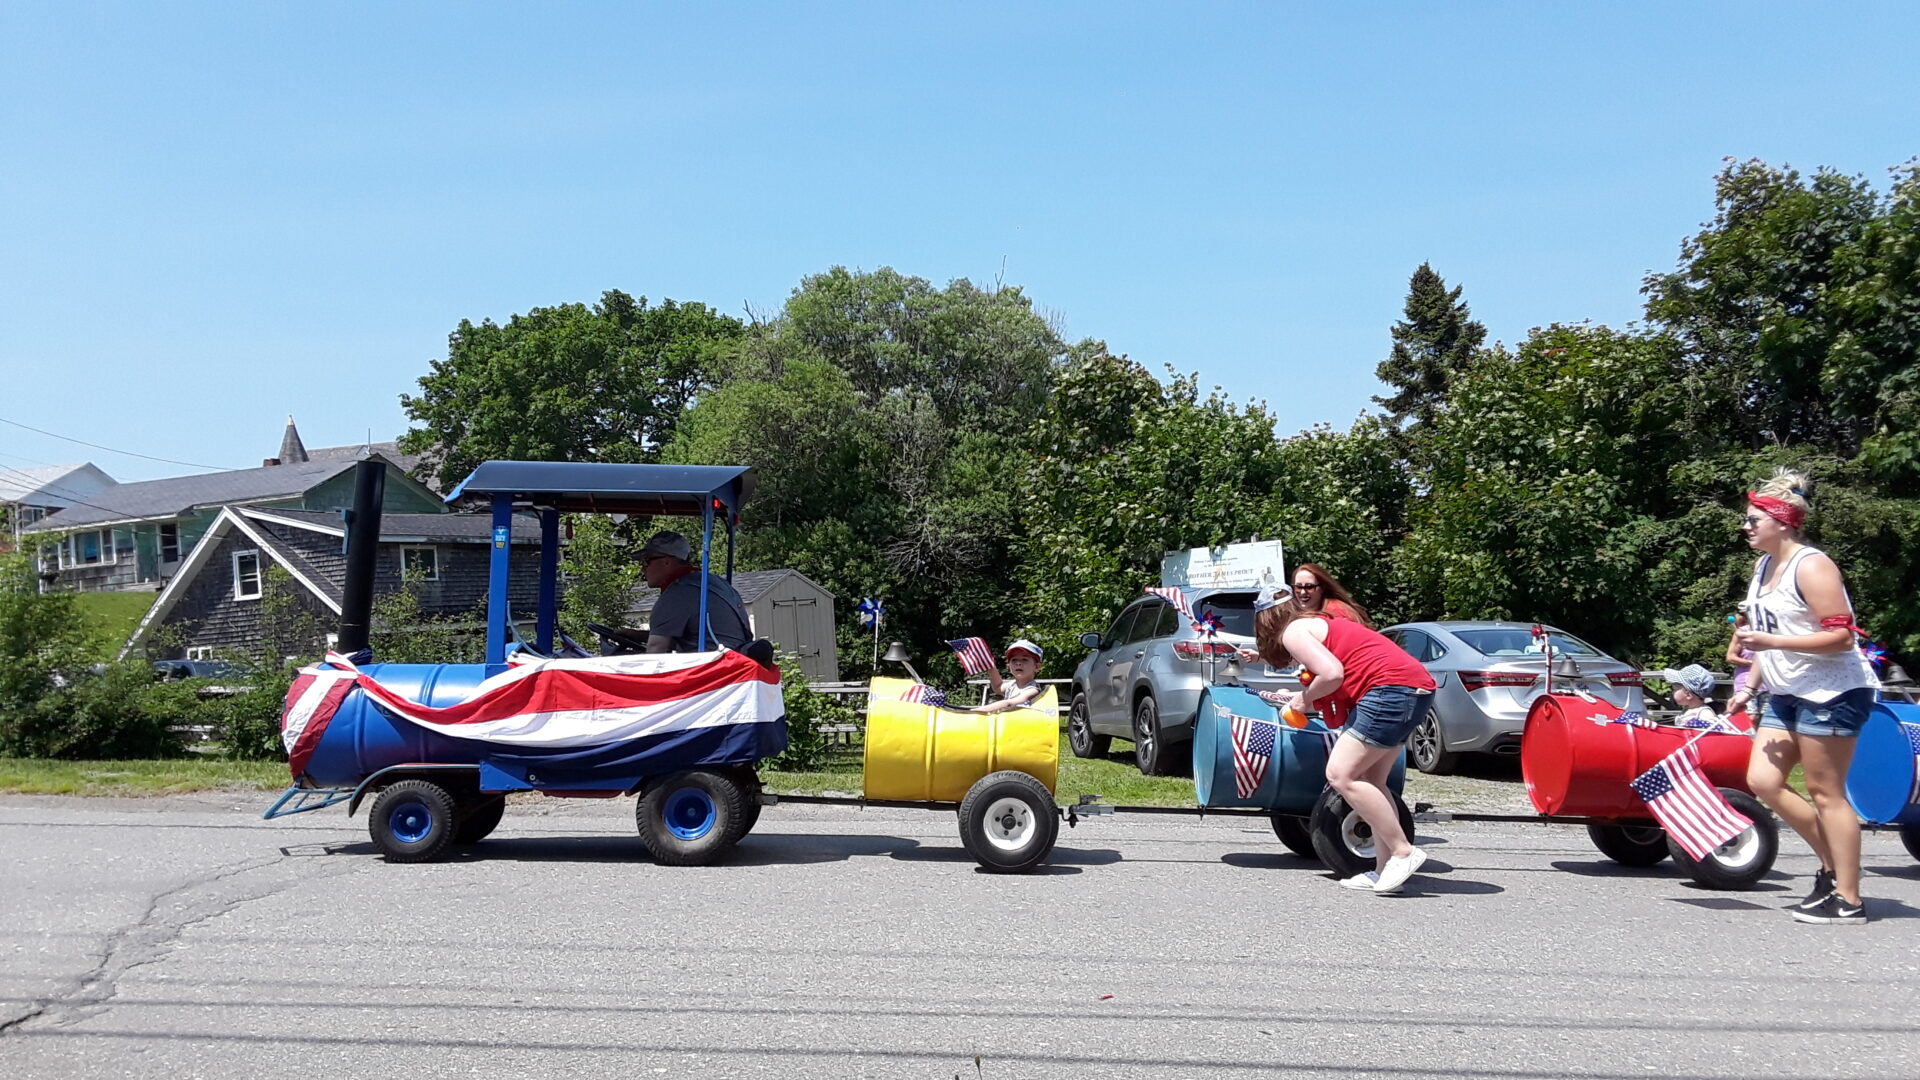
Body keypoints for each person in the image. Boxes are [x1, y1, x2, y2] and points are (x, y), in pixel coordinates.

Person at [1730, 470, 1879, 925]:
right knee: (1764, 781)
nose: (1747, 527)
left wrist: (1770, 645)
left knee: (1826, 793)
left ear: (1785, 522)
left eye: (1755, 520)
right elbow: (1767, 635)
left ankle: (1848, 899)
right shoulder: (1762, 567)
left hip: (1832, 692)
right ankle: (1833, 868)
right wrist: (1751, 682)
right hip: (1787, 691)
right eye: (1747, 520)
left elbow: (1841, 638)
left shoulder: (1812, 565)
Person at [1253, 583, 1436, 894]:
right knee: (1371, 780)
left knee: (1341, 774)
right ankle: (1383, 868)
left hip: (1389, 692)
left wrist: (1300, 702)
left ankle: (1402, 850)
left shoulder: (1293, 632)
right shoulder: (1318, 623)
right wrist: (1302, 696)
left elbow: (1333, 674)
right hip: (1410, 689)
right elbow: (1336, 673)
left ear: (1266, 620)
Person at [639, 531, 754, 653]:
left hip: (711, 666)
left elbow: (656, 648)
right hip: (736, 660)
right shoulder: (712, 583)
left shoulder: (678, 594)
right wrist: (634, 635)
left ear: (666, 562)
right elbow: (689, 637)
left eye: (647, 561)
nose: (643, 569)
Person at [971, 639, 1045, 714]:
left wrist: (974, 712)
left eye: (1024, 659)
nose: (1018, 663)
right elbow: (998, 687)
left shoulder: (1032, 690)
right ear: (1009, 666)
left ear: (1037, 667)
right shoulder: (1012, 685)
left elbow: (1009, 704)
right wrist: (991, 667)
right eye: (1014, 660)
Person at [1290, 563, 1373, 628]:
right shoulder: (1297, 612)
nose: (1303, 592)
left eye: (1309, 587)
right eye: (1298, 587)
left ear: (1323, 588)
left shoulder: (1337, 611)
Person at [1659, 663, 1721, 728]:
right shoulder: (1687, 710)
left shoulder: (1704, 714)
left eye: (1674, 689)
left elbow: (1712, 732)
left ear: (1688, 695)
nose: (1672, 692)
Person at [1724, 607, 1756, 722]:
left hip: (1768, 685)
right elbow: (1730, 657)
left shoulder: (1768, 631)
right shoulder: (1742, 633)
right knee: (1749, 719)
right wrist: (1752, 663)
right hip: (1746, 683)